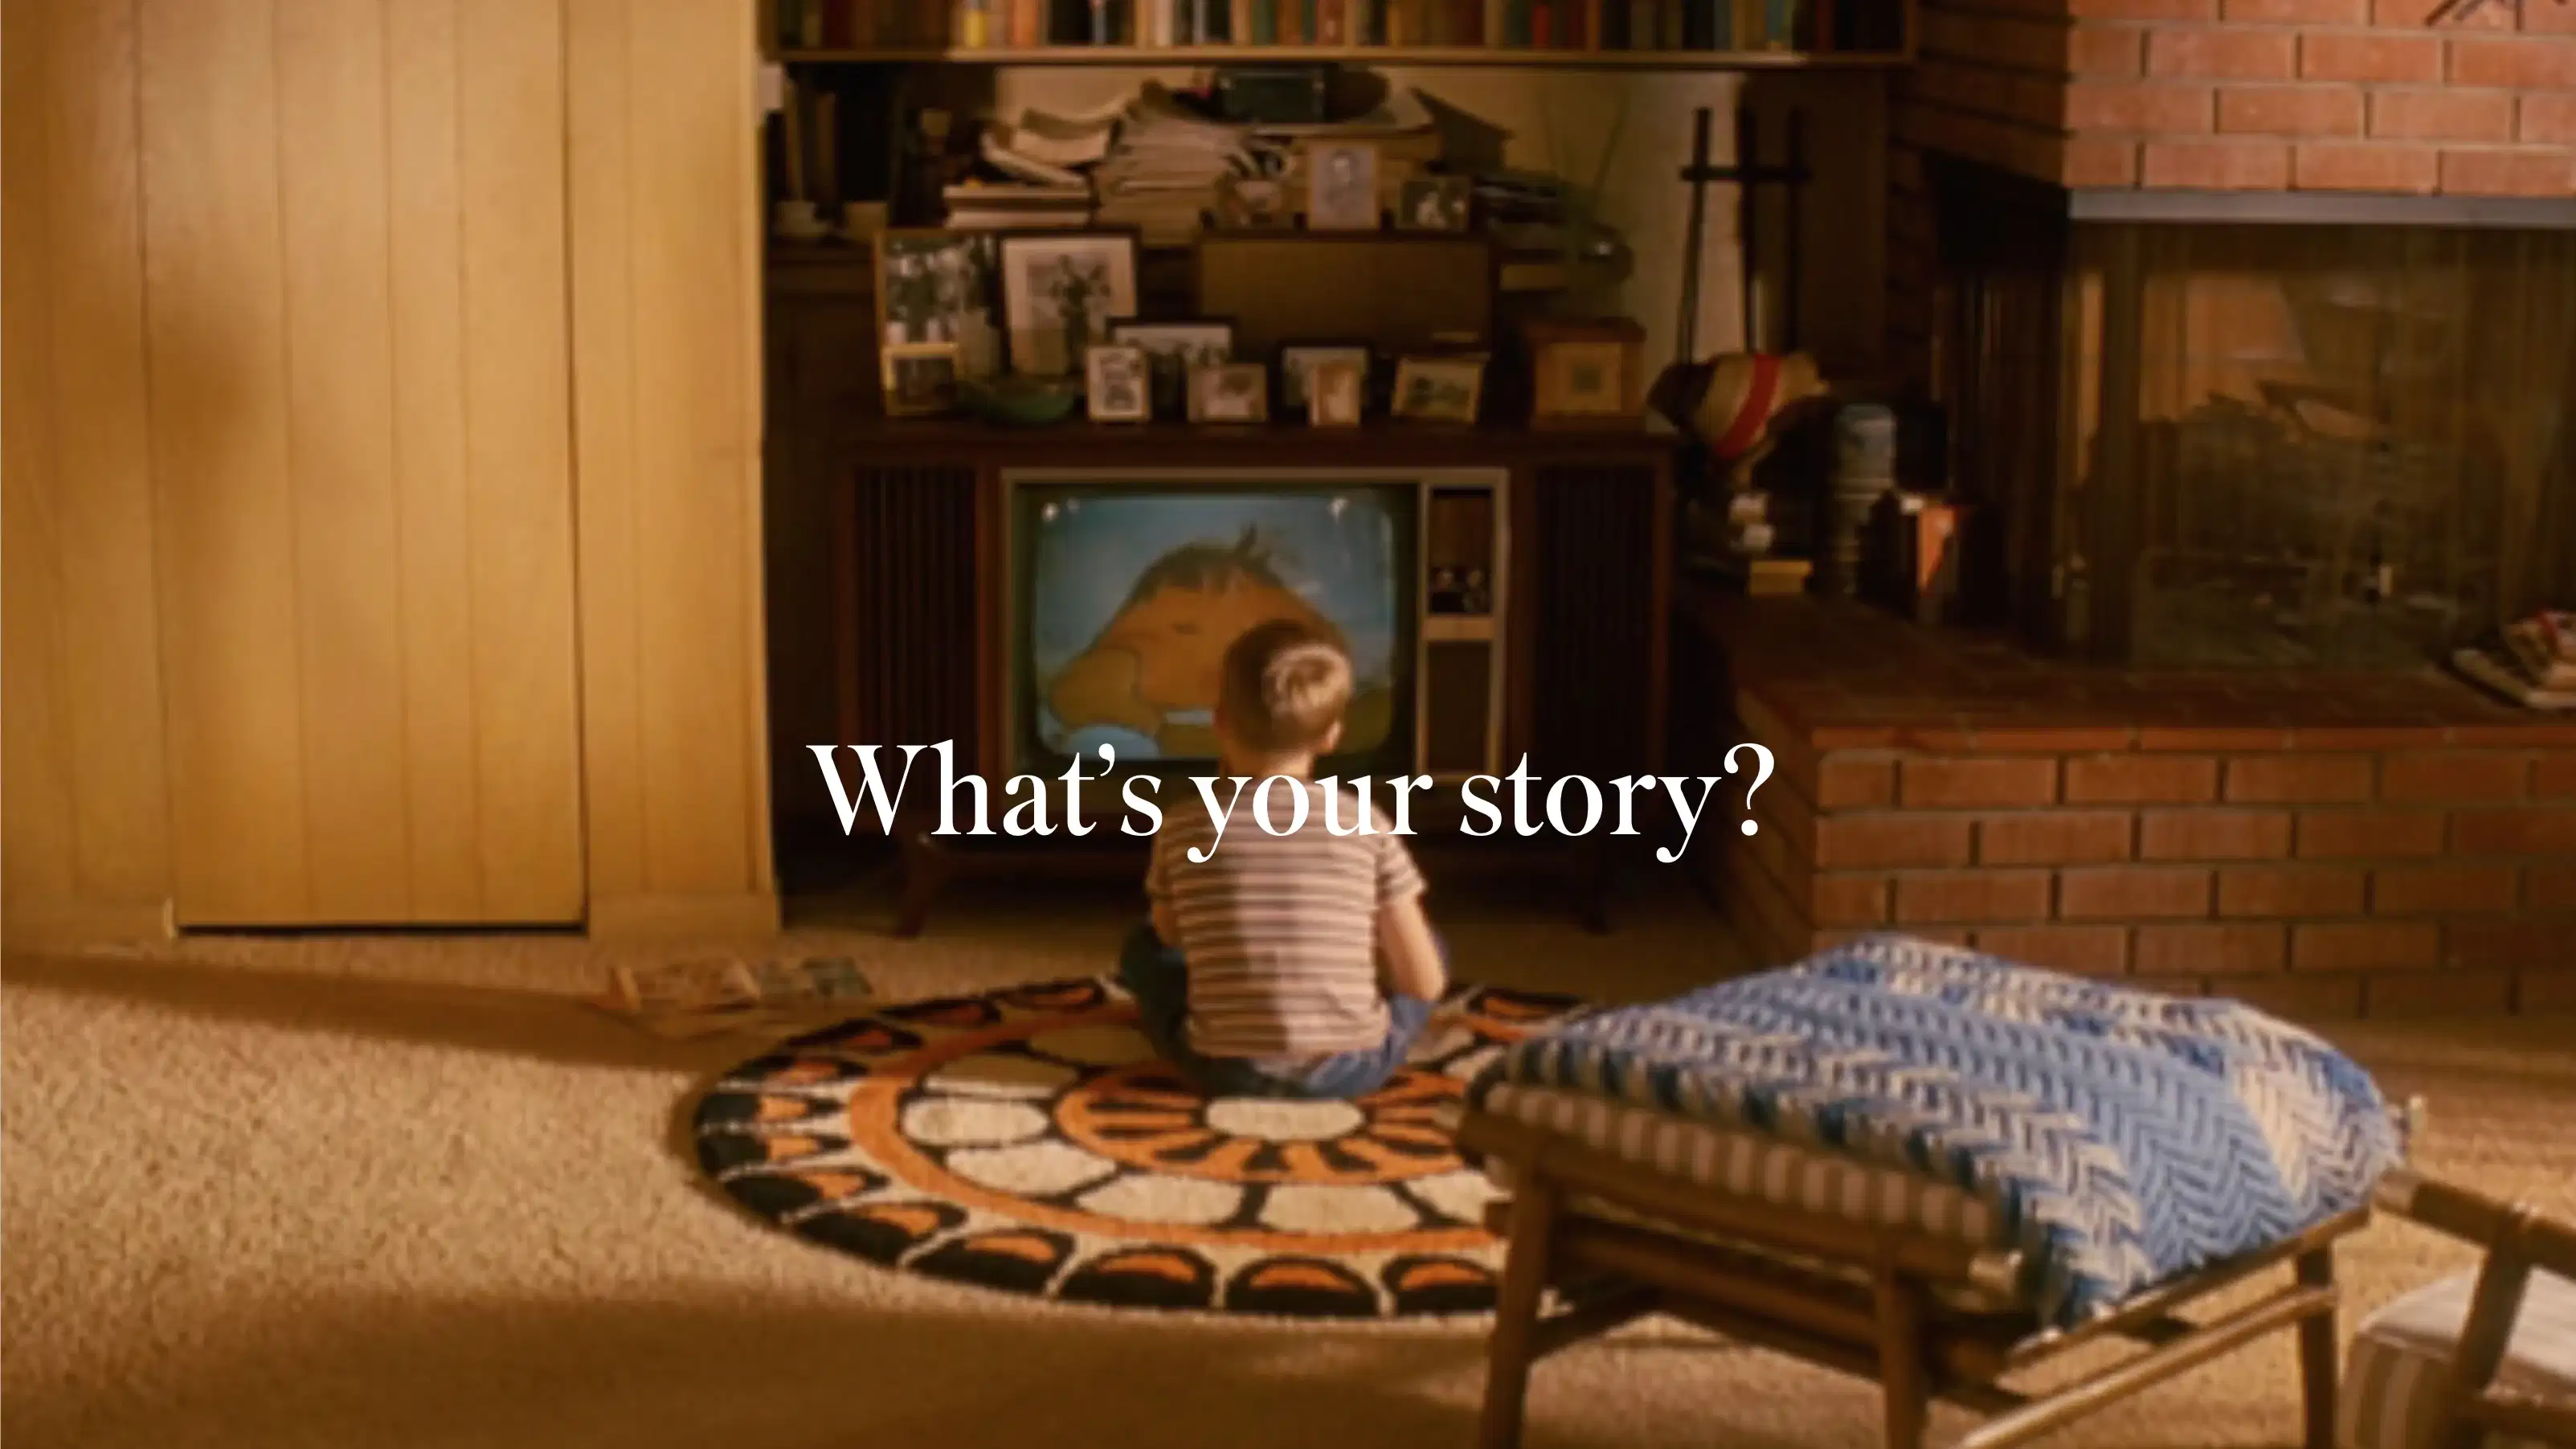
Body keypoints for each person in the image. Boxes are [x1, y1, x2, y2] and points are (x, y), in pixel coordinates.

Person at [1120, 617, 1447, 1100]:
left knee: (1142, 949)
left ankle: (1237, 1021)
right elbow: (1424, 983)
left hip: (1222, 1068)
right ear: (1332, 735)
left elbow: (1171, 938)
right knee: (1431, 947)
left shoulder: (1183, 824)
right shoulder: (1365, 821)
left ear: (1219, 721)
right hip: (1353, 1067)